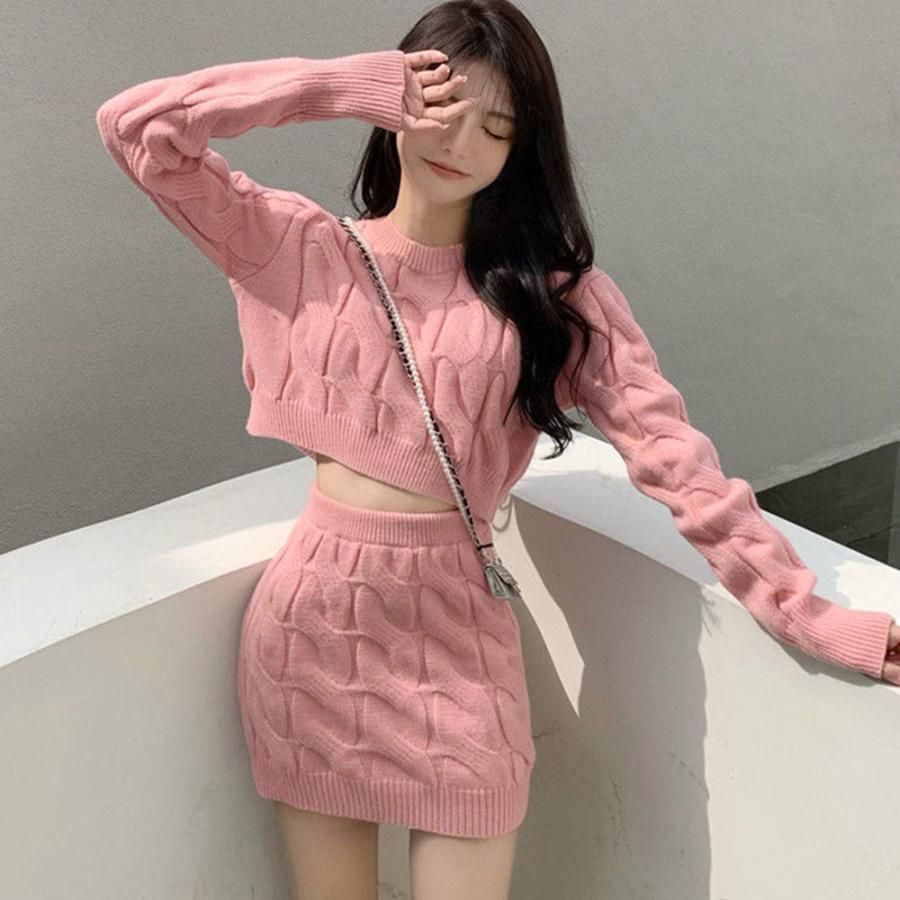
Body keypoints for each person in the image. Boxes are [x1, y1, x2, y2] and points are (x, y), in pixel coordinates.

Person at [95, 1, 900, 897]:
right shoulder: (298, 248)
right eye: (441, 107)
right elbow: (136, 129)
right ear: (396, 103)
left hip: (459, 642)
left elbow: (680, 465)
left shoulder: (558, 300)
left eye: (499, 127)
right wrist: (340, 86)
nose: (463, 142)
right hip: (311, 635)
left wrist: (810, 614)